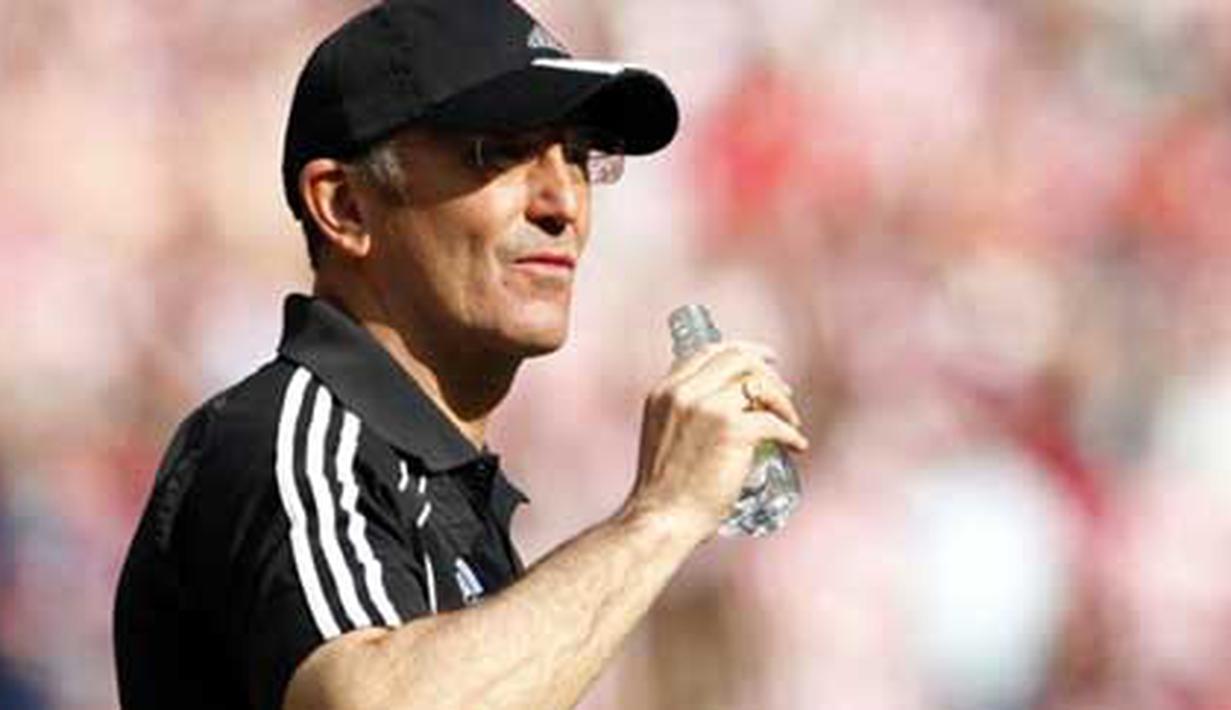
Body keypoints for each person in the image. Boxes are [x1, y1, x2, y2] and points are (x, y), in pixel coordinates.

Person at [112, 0, 808, 708]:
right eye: (498, 151)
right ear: (345, 206)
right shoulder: (286, 439)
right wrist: (660, 513)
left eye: (576, 155)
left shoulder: (436, 483)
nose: (561, 201)